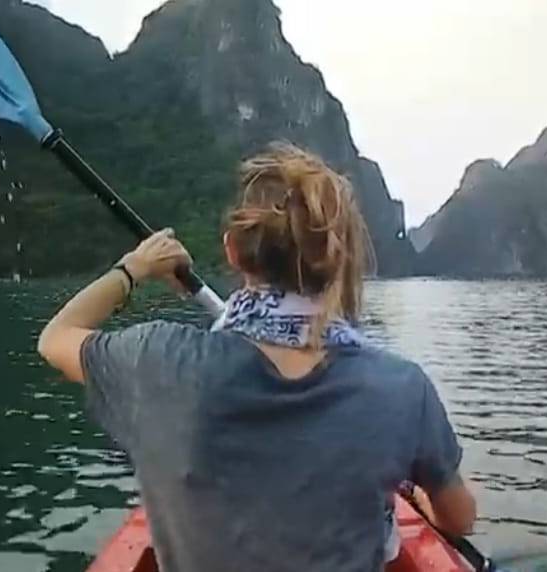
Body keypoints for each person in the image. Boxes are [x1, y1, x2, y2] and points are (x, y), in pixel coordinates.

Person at [38, 142, 476, 571]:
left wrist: (135, 267)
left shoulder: (159, 361)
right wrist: (423, 504)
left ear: (232, 250)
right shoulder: (401, 388)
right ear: (341, 261)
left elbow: (55, 338)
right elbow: (460, 519)